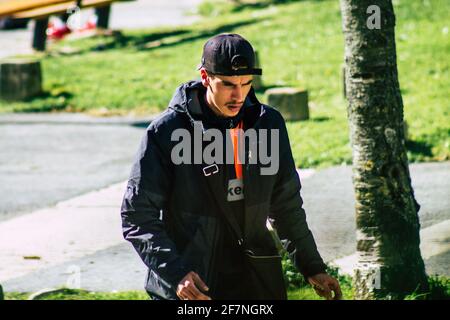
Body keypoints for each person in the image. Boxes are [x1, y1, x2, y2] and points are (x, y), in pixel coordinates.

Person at [121, 33, 341, 300]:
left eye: (246, 83)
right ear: (205, 78)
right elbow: (137, 215)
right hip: (193, 283)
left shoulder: (268, 125)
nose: (238, 95)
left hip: (256, 279)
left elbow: (286, 205)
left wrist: (312, 267)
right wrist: (175, 273)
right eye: (227, 84)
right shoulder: (166, 131)